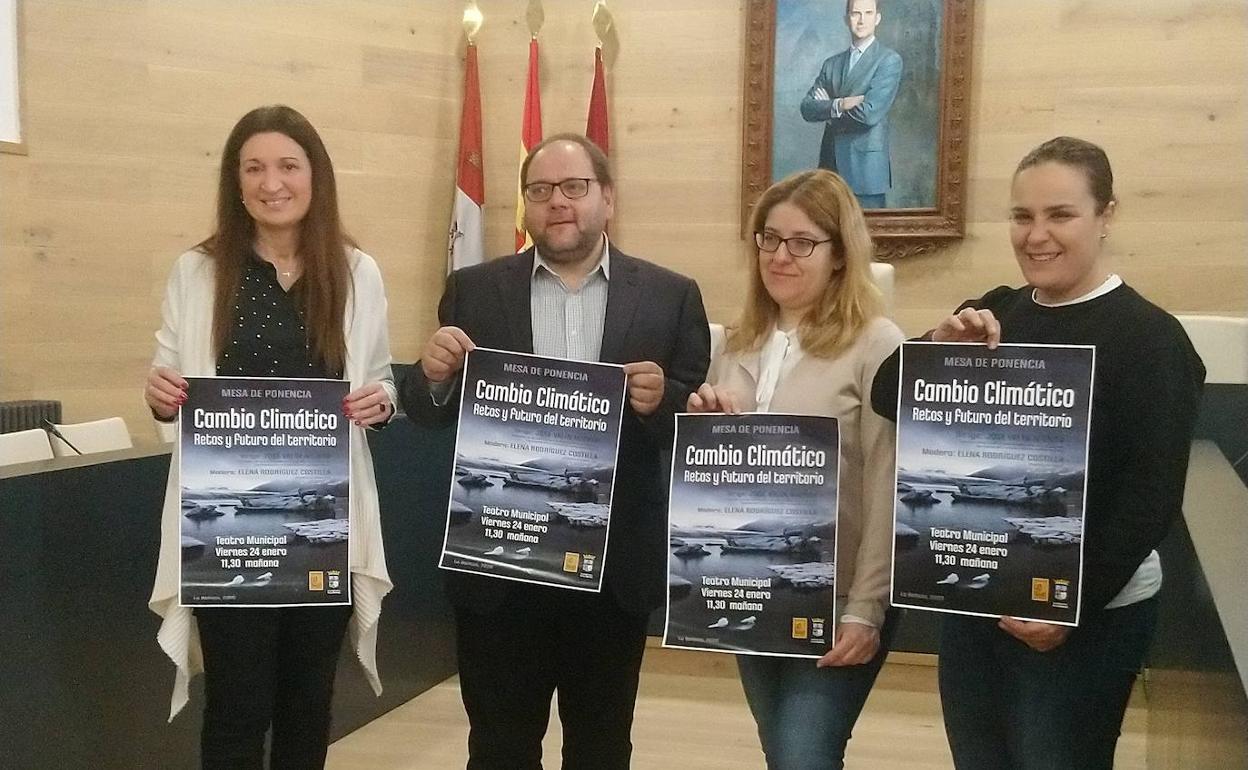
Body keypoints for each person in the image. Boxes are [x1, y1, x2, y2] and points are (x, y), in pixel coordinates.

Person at [871, 136, 1206, 769]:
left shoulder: (1152, 340)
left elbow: (1151, 497)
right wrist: (938, 345)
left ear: (1106, 215)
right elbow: (888, 395)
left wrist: (1070, 607)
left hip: (1089, 616)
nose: (1036, 235)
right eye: (1022, 216)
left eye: (1061, 215)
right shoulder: (995, 311)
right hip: (978, 600)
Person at [401, 133, 709, 770]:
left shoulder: (671, 295)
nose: (557, 202)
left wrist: (662, 403)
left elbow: (696, 431)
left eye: (575, 187)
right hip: (499, 565)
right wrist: (431, 378)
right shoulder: (472, 290)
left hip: (612, 574)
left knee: (601, 749)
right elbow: (431, 413)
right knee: (499, 749)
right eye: (540, 190)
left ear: (608, 199)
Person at [145, 104, 397, 770]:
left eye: (288, 165)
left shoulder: (357, 272)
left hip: (324, 524)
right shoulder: (196, 271)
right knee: (236, 702)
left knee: (308, 701)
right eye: (253, 168)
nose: (272, 182)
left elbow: (378, 379)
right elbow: (168, 377)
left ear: (316, 176)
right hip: (229, 534)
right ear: (235, 182)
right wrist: (161, 396)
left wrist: (382, 402)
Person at [686, 168, 902, 769]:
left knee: (804, 755)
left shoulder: (877, 344)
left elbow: (888, 484)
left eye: (803, 242)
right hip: (752, 587)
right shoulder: (736, 344)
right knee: (784, 752)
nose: (781, 256)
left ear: (840, 254)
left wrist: (866, 608)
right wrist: (704, 430)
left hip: (836, 598)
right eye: (770, 239)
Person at [800, 0, 903, 209]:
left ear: (877, 18)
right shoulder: (831, 64)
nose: (861, 20)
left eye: (868, 13)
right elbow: (807, 108)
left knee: (868, 230)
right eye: (856, 13)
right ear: (847, 19)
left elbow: (868, 114)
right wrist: (841, 104)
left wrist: (829, 111)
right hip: (830, 167)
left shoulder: (889, 60)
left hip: (865, 172)